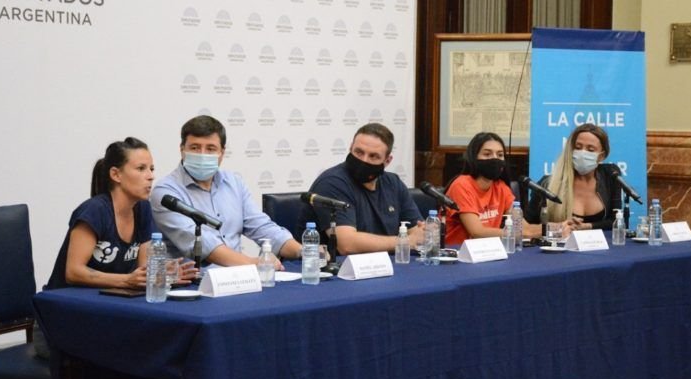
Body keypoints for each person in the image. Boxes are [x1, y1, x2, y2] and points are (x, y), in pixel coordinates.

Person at [150, 115, 301, 268]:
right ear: (182, 150)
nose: (202, 154)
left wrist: (304, 252)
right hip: (195, 279)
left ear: (222, 153)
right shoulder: (166, 192)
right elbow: (204, 244)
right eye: (195, 148)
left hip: (240, 277)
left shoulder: (234, 183)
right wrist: (252, 264)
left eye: (211, 149)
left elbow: (262, 227)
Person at [46, 137, 196, 290]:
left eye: (151, 169)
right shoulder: (94, 211)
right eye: (141, 168)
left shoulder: (143, 209)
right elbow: (73, 272)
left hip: (113, 298)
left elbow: (144, 269)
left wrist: (162, 275)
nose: (151, 176)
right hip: (66, 298)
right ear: (116, 174)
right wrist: (126, 280)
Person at [302, 123, 426, 255]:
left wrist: (420, 235)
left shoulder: (393, 183)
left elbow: (418, 232)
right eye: (359, 152)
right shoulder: (333, 182)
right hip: (336, 266)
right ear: (350, 148)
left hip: (384, 263)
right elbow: (346, 244)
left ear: (387, 161)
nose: (364, 160)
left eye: (373, 156)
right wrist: (403, 242)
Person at [444, 132, 545, 245]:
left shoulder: (500, 187)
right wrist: (523, 234)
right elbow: (477, 232)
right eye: (487, 154)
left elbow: (524, 227)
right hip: (458, 251)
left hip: (488, 250)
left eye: (500, 155)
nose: (495, 159)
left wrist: (554, 227)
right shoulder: (461, 185)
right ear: (473, 157)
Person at [525, 123, 623, 230]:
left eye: (590, 150)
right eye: (578, 147)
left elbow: (616, 221)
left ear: (602, 156)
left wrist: (587, 226)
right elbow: (526, 225)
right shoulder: (548, 184)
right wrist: (557, 228)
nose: (582, 153)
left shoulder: (610, 175)